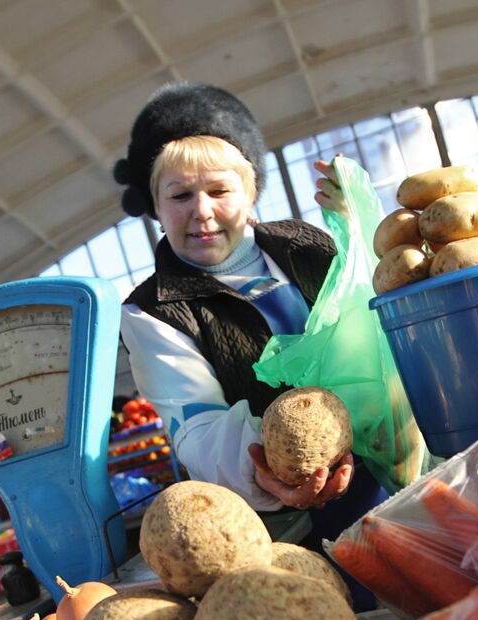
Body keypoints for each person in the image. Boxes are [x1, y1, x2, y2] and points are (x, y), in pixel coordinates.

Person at [114, 81, 386, 530]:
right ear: (156, 208)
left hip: (393, 465)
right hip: (294, 519)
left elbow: (377, 320)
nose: (201, 211)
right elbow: (198, 430)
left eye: (219, 191)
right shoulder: (151, 312)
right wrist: (265, 467)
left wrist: (361, 237)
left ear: (250, 192)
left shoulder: (307, 244)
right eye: (180, 195)